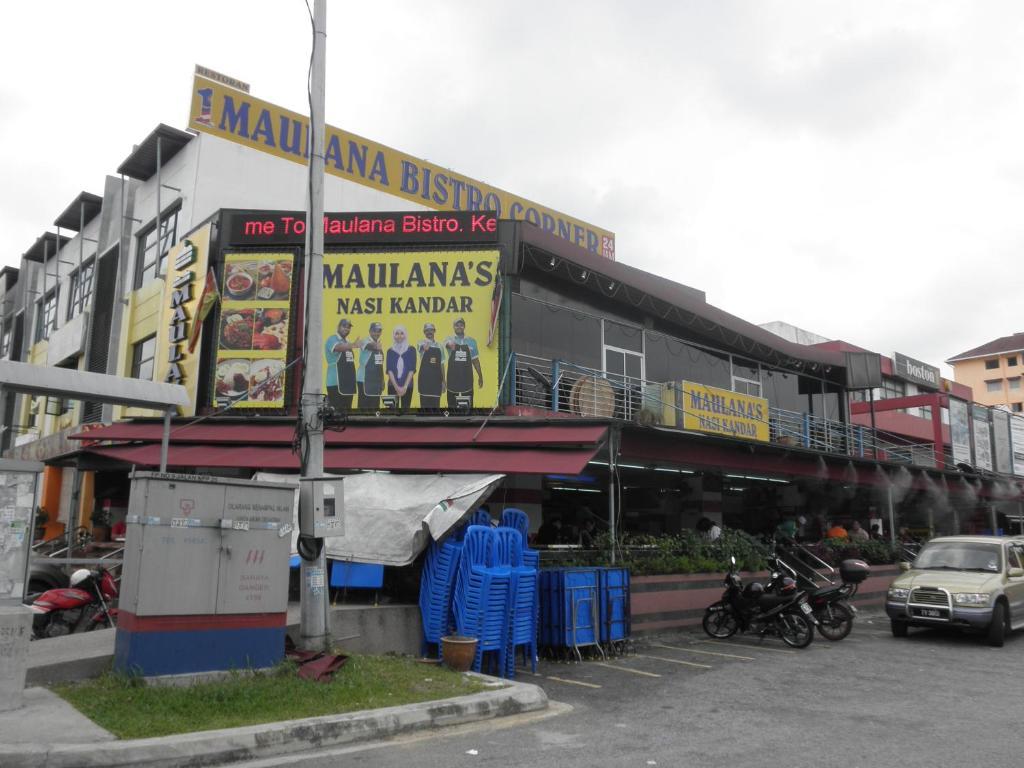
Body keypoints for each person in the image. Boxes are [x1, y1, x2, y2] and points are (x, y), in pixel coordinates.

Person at [445, 317, 483, 410]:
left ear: (464, 326)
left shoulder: (471, 341)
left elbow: (475, 361)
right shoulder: (449, 339)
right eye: (457, 325)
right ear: (454, 327)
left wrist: (480, 376)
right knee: (452, 406)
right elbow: (447, 344)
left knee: (467, 406)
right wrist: (450, 344)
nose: (459, 327)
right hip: (453, 378)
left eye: (461, 325)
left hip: (467, 378)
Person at [324, 318, 360, 413]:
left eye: (348, 327)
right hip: (336, 384)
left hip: (348, 385)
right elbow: (338, 347)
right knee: (337, 415)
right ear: (338, 327)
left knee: (347, 416)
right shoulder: (332, 339)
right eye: (344, 326)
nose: (346, 329)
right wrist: (353, 345)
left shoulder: (347, 342)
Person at [385, 325, 416, 410]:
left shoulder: (411, 350)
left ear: (405, 335)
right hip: (392, 386)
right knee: (391, 411)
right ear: (393, 335)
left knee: (405, 412)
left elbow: (411, 370)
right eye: (397, 333)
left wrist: (404, 387)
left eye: (402, 333)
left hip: (408, 386)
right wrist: (396, 387)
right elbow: (390, 370)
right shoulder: (390, 351)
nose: (399, 336)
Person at [416, 322, 445, 409]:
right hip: (424, 381)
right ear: (424, 332)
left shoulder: (440, 346)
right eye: (427, 330)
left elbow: (442, 364)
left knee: (436, 409)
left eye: (431, 330)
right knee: (424, 409)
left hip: (436, 382)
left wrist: (443, 381)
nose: (429, 332)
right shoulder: (420, 343)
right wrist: (425, 347)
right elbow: (421, 348)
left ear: (434, 331)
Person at [357, 321, 385, 410]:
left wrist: (382, 380)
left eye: (379, 331)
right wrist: (376, 346)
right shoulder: (365, 341)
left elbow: (380, 364)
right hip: (364, 379)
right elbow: (368, 346)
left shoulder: (379, 344)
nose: (377, 333)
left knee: (375, 406)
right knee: (363, 407)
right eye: (374, 330)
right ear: (370, 331)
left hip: (376, 381)